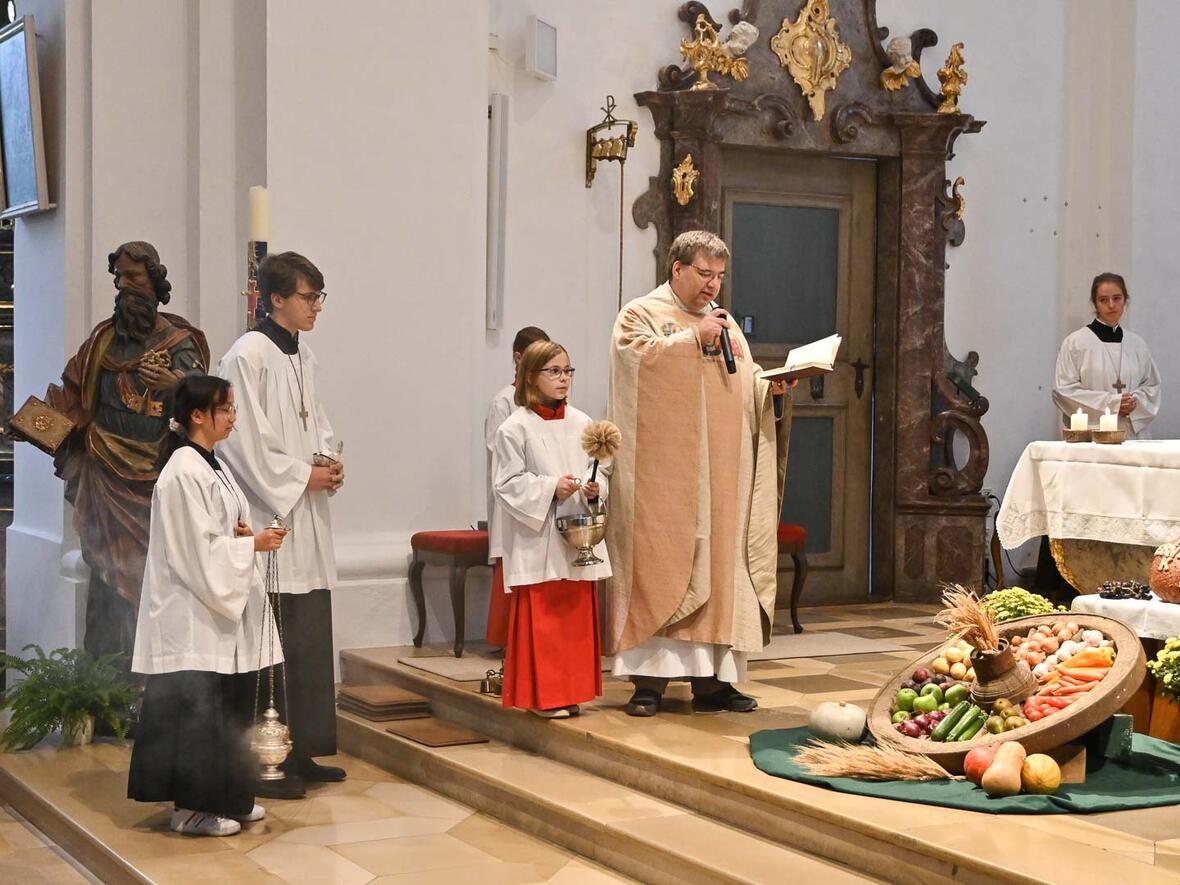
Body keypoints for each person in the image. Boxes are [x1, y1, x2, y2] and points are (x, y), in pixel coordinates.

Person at [605, 230, 791, 717]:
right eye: (705, 274)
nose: (713, 286)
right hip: (665, 477)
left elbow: (744, 383)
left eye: (720, 277)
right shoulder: (640, 314)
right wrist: (690, 340)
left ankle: (715, 683)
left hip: (724, 472)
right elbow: (633, 365)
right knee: (663, 564)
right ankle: (649, 683)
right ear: (677, 270)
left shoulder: (727, 326)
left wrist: (773, 390)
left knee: (724, 570)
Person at [128, 375, 287, 837]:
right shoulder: (183, 471)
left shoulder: (214, 465)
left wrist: (244, 537)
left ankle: (230, 797)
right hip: (191, 614)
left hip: (217, 609)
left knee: (225, 707)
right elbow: (195, 552)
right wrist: (251, 545)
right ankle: (192, 809)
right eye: (227, 408)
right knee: (195, 712)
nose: (234, 416)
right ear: (198, 415)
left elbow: (221, 530)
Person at [42, 241, 209, 664]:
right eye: (118, 277)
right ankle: (102, 680)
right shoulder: (103, 338)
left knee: (149, 574)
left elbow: (207, 406)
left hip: (155, 478)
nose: (123, 285)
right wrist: (43, 422)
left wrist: (176, 385)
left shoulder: (180, 342)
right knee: (103, 572)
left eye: (132, 276)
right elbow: (76, 394)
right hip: (103, 472)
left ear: (154, 279)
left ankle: (150, 678)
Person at [217, 251, 345, 795]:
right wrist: (299, 475)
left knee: (309, 633)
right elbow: (244, 442)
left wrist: (327, 459)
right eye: (308, 297)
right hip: (272, 515)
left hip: (307, 516)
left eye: (319, 297)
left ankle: (304, 750)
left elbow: (315, 421)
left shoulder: (302, 355)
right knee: (275, 636)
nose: (317, 307)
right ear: (276, 299)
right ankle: (267, 762)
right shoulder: (247, 355)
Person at [493, 341, 609, 718]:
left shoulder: (582, 422)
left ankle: (571, 691)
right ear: (530, 376)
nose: (563, 379)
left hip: (577, 535)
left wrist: (595, 490)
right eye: (554, 372)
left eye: (567, 371)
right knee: (544, 621)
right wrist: (550, 488)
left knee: (573, 620)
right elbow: (507, 483)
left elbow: (601, 471)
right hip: (538, 537)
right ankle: (544, 697)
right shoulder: (515, 427)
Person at [485, 325, 550, 649]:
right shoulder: (504, 402)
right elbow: (501, 453)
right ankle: (509, 638)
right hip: (517, 495)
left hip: (547, 494)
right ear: (518, 358)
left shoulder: (552, 400)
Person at [1052, 272, 1161, 439]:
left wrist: (1133, 403)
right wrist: (1113, 403)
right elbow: (1064, 391)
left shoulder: (1137, 345)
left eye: (1117, 298)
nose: (1111, 305)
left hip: (1133, 437)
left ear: (1125, 300)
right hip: (1092, 438)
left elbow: (1152, 386)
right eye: (1103, 299)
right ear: (1095, 303)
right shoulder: (1075, 343)